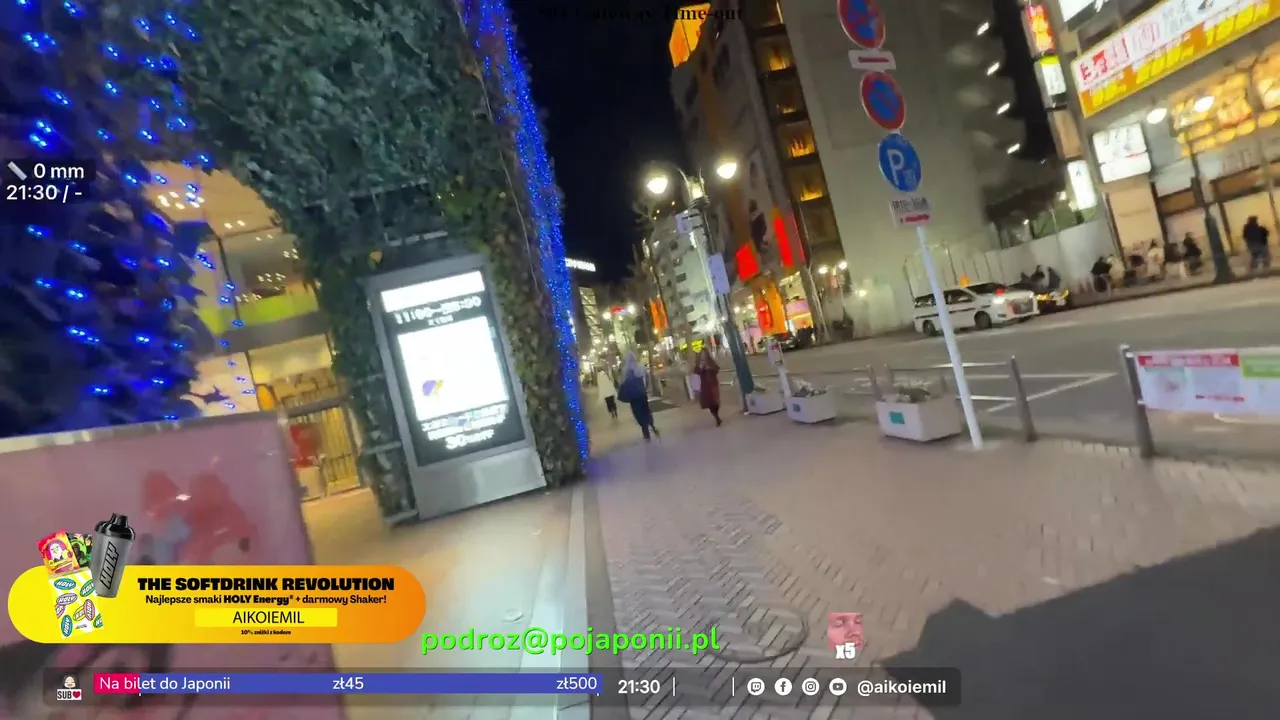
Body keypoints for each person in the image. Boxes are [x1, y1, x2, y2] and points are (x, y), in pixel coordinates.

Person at [618, 353, 659, 441]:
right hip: (642, 394)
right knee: (646, 411)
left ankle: (645, 431)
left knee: (638, 413)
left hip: (633, 397)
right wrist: (645, 388)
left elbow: (622, 383)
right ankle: (652, 425)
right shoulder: (640, 367)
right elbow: (647, 378)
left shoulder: (625, 370)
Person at [694, 348, 722, 426]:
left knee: (716, 401)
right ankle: (717, 418)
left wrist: (710, 368)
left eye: (704, 354)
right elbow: (696, 372)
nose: (703, 356)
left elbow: (717, 369)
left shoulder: (710, 361)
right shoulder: (698, 363)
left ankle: (717, 415)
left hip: (713, 383)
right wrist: (700, 367)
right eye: (702, 354)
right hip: (705, 385)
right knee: (709, 402)